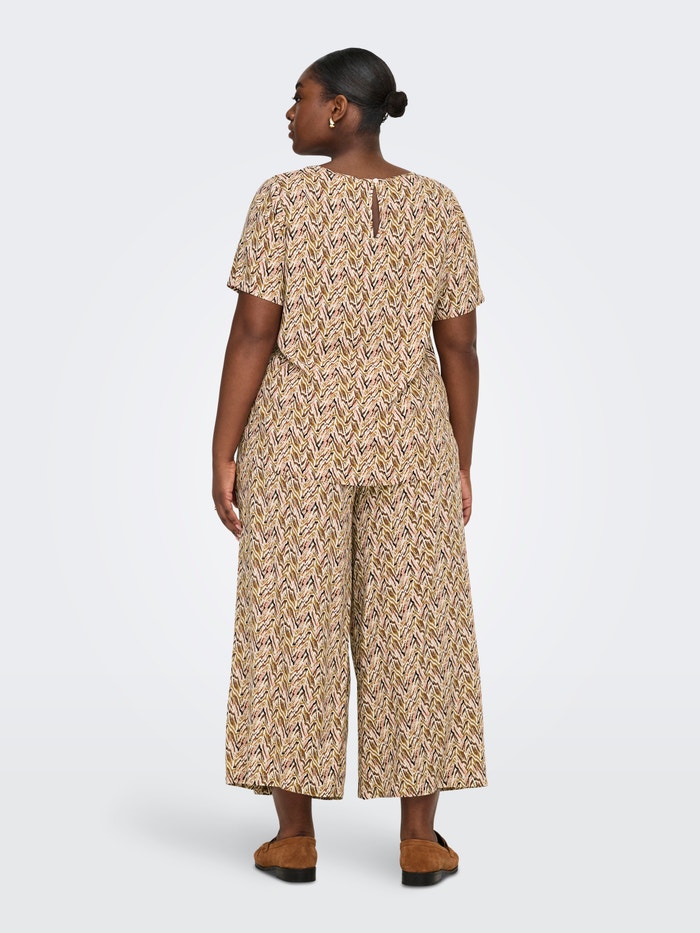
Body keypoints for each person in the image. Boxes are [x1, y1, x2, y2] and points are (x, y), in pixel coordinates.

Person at [212, 48, 488, 886]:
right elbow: (460, 347)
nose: (289, 112)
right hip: (414, 445)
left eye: (299, 97)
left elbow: (254, 332)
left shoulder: (283, 200)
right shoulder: (439, 206)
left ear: (339, 108)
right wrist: (460, 457)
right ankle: (420, 840)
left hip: (298, 446)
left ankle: (294, 837)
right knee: (419, 629)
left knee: (290, 628)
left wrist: (223, 447)